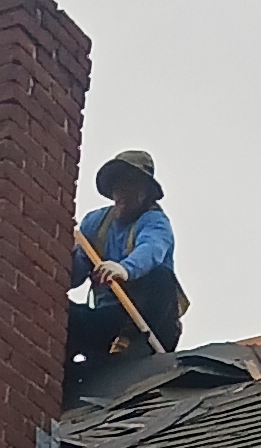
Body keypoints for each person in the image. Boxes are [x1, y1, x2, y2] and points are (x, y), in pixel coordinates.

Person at [66, 151, 183, 388]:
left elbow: (151, 250)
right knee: (65, 314)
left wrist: (124, 269)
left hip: (151, 321)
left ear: (146, 192)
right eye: (117, 186)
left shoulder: (155, 222)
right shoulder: (95, 223)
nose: (122, 194)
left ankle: (135, 343)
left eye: (130, 185)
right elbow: (76, 273)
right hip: (110, 319)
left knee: (162, 278)